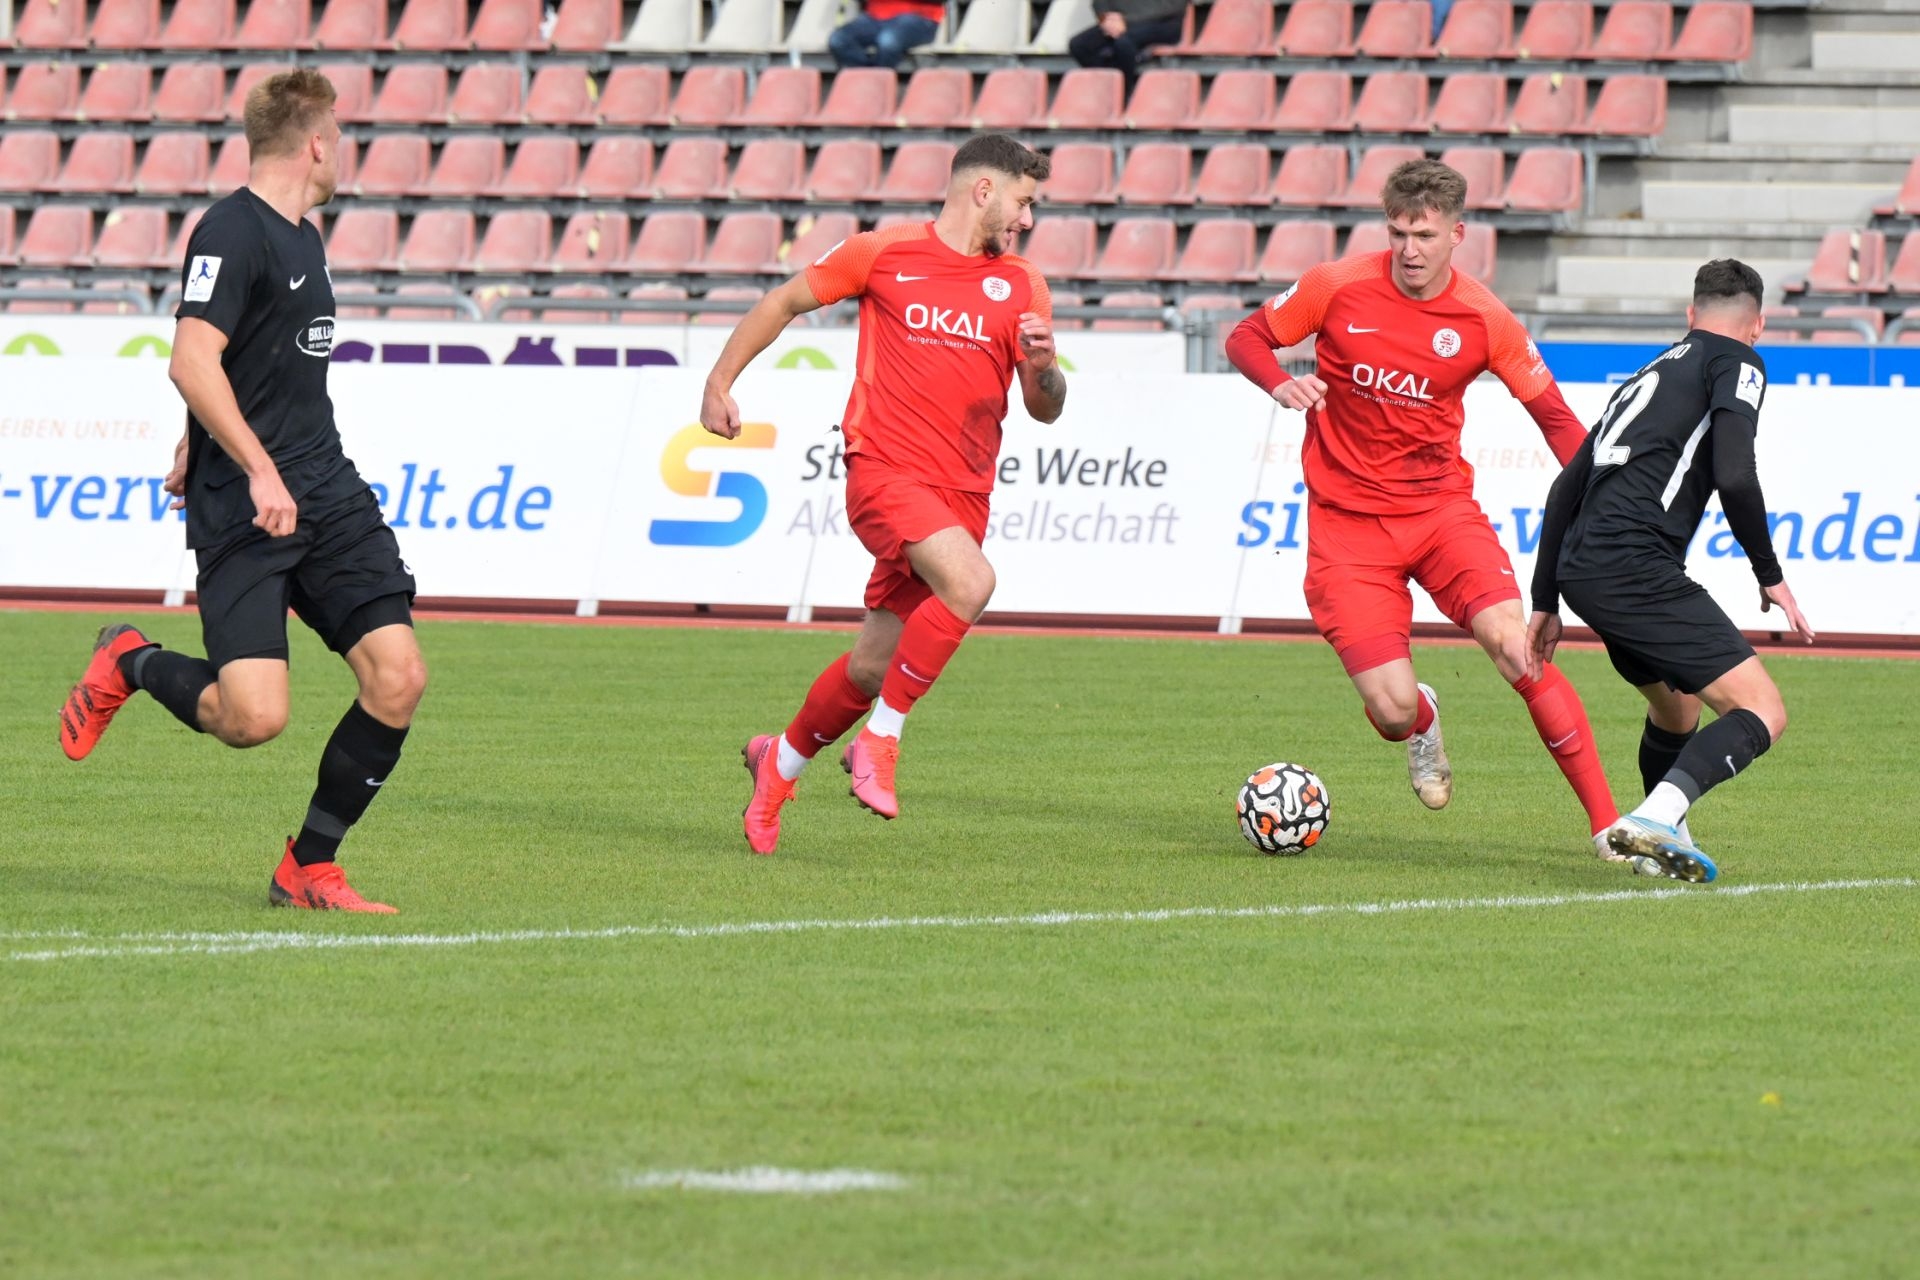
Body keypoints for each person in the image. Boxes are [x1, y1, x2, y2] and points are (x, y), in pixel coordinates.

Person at [55, 69, 426, 913]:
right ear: (317, 143)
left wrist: (198, 433)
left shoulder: (306, 235)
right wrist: (252, 466)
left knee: (399, 675)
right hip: (247, 506)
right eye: (341, 134)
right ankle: (131, 659)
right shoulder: (229, 229)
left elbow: (249, 360)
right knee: (251, 719)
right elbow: (191, 356)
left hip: (326, 492)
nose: (344, 150)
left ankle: (309, 866)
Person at [1224, 158, 1623, 859]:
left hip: (1441, 515)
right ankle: (1424, 720)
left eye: (1425, 235)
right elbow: (1246, 337)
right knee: (1392, 707)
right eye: (1399, 232)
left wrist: (1612, 497)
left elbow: (1555, 418)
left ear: (1456, 234)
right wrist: (1278, 384)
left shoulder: (1483, 317)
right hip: (1347, 530)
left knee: (1516, 647)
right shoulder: (1336, 286)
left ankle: (1609, 827)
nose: (1410, 249)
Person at [701, 134, 1065, 855]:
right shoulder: (883, 252)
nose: (1027, 219)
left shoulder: (1023, 283)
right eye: (1023, 202)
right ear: (983, 191)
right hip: (885, 472)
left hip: (964, 495)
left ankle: (775, 766)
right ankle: (880, 745)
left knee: (871, 667)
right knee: (971, 582)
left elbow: (1044, 406)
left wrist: (1046, 368)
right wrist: (719, 381)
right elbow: (783, 303)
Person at [1528, 259, 1814, 883]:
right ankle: (1657, 816)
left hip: (1584, 568)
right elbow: (1737, 473)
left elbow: (1562, 489)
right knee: (1764, 710)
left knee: (1678, 709)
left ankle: (1665, 843)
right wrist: (1769, 573)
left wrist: (1545, 599)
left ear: (1690, 315)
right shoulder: (1737, 362)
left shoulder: (1646, 373)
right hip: (1635, 562)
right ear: (1757, 326)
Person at [1069, 0, 1190, 84]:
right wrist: (1105, 19)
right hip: (1119, 22)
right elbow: (1099, 3)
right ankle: (1109, 84)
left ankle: (1124, 91)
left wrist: (1126, 20)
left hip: (1163, 23)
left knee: (1123, 43)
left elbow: (1174, 6)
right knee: (1078, 45)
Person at [828, 0, 944, 69]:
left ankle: (877, 85)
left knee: (888, 41)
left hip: (919, 17)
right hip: (875, 16)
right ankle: (869, 81)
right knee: (839, 40)